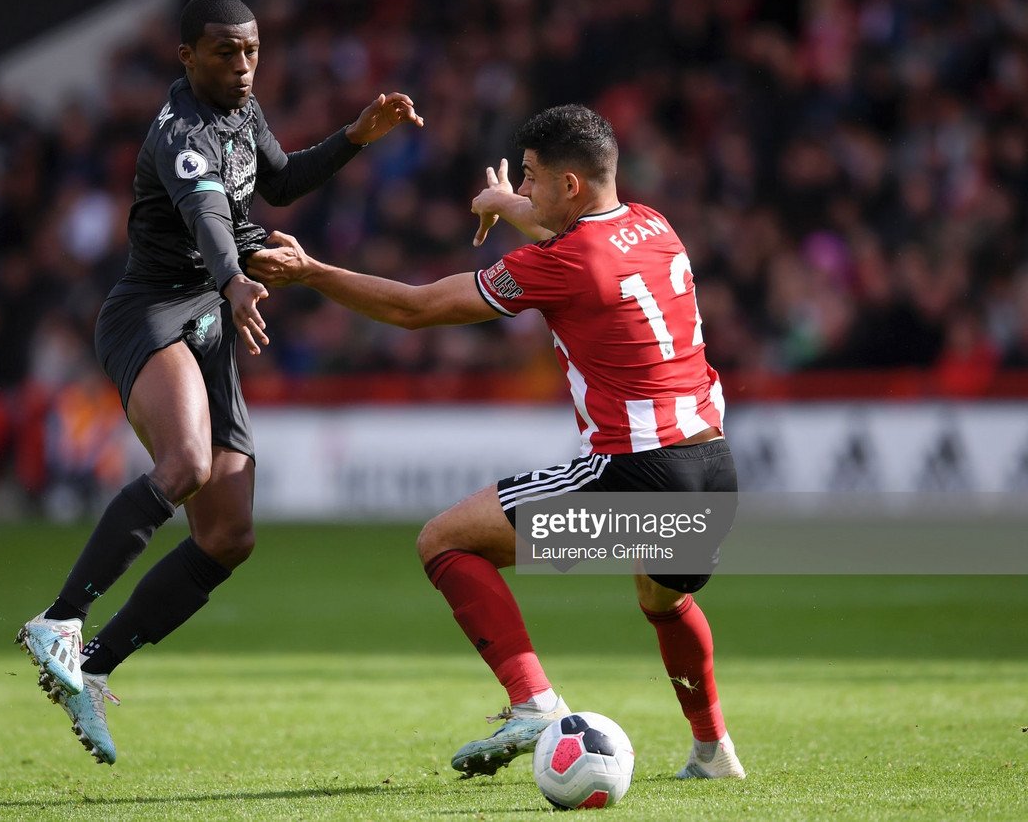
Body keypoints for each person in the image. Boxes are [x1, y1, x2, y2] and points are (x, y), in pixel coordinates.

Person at [249, 104, 745, 781]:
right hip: (714, 472)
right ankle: (714, 752)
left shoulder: (563, 262)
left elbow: (416, 309)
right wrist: (505, 201)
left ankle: (533, 701)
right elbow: (569, 229)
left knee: (444, 540)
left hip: (638, 472)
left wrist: (312, 273)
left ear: (570, 184)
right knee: (664, 601)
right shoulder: (653, 224)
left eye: (535, 178)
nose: (529, 190)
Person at [16, 0, 423, 765]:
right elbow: (207, 214)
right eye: (225, 53)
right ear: (186, 57)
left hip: (210, 318)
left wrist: (354, 138)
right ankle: (61, 620)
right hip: (153, 316)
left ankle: (93, 669)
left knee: (229, 535)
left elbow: (280, 181)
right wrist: (236, 279)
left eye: (252, 51)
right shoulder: (181, 134)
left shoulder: (243, 112)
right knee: (186, 464)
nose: (242, 67)